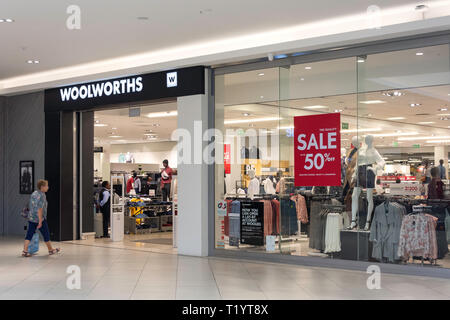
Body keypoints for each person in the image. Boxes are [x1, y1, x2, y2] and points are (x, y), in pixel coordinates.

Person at [22, 180, 60, 257]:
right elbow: (40, 209)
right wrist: (40, 221)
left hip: (31, 218)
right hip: (40, 219)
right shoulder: (42, 195)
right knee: (46, 234)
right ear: (42, 187)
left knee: (29, 234)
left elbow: (30, 205)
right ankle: (50, 250)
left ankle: (25, 251)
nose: (48, 187)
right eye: (46, 186)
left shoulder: (34, 193)